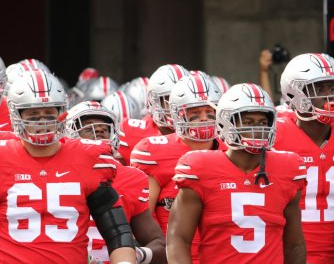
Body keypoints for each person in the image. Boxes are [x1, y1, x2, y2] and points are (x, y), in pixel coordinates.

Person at [0, 69, 136, 263]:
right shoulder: (3, 156)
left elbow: (118, 233)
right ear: (16, 115)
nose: (43, 122)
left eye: (49, 113)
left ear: (62, 113)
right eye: (33, 114)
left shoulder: (87, 157)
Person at [166, 83, 307, 263]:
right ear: (226, 122)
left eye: (263, 123)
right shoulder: (201, 168)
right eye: (248, 122)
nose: (257, 129)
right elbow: (178, 238)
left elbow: (294, 244)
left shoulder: (287, 168)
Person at [274, 53, 334, 264]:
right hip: (284, 254)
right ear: (294, 92)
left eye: (332, 88)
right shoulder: (274, 134)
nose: (329, 97)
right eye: (319, 89)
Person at [130, 73, 226, 263]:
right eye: (195, 114)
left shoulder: (231, 151)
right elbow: (143, 219)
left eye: (210, 113)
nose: (203, 119)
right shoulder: (154, 151)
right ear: (178, 115)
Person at [66, 101, 166, 264]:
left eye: (104, 128)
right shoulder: (56, 172)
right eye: (88, 127)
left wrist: (136, 254)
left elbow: (160, 245)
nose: (99, 130)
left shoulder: (131, 178)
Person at [118, 64, 191, 164]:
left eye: (184, 100)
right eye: (169, 100)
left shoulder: (204, 135)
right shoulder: (131, 132)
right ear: (155, 102)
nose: (177, 108)